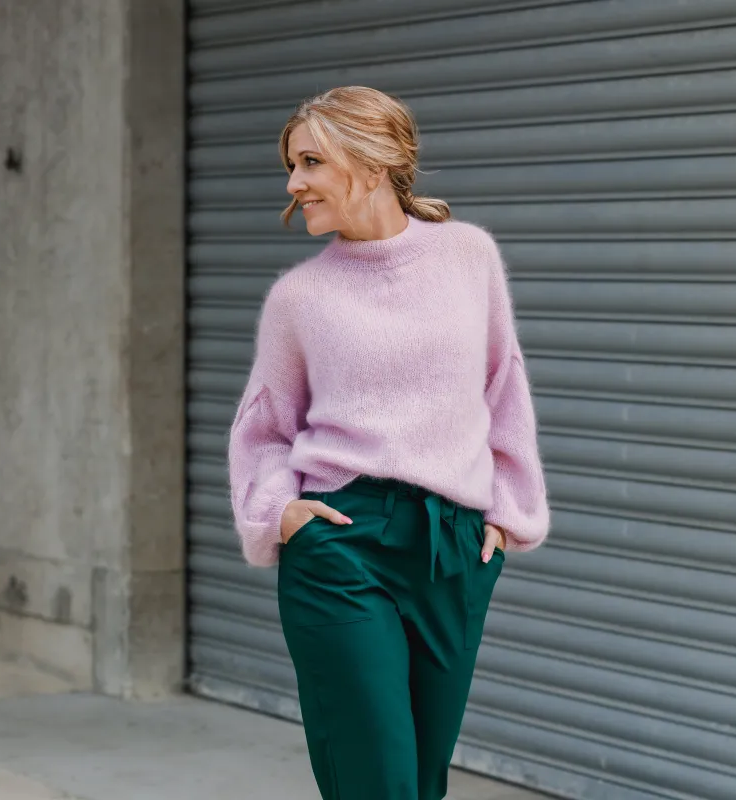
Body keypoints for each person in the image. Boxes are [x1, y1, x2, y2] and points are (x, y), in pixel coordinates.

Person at [227, 85, 549, 800]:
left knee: (421, 783)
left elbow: (504, 387)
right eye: (291, 164)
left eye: (310, 161)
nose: (292, 183)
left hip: (454, 550)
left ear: (373, 165)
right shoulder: (300, 299)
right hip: (343, 543)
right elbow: (266, 430)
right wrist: (279, 513)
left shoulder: (469, 256)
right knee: (379, 786)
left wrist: (503, 510)